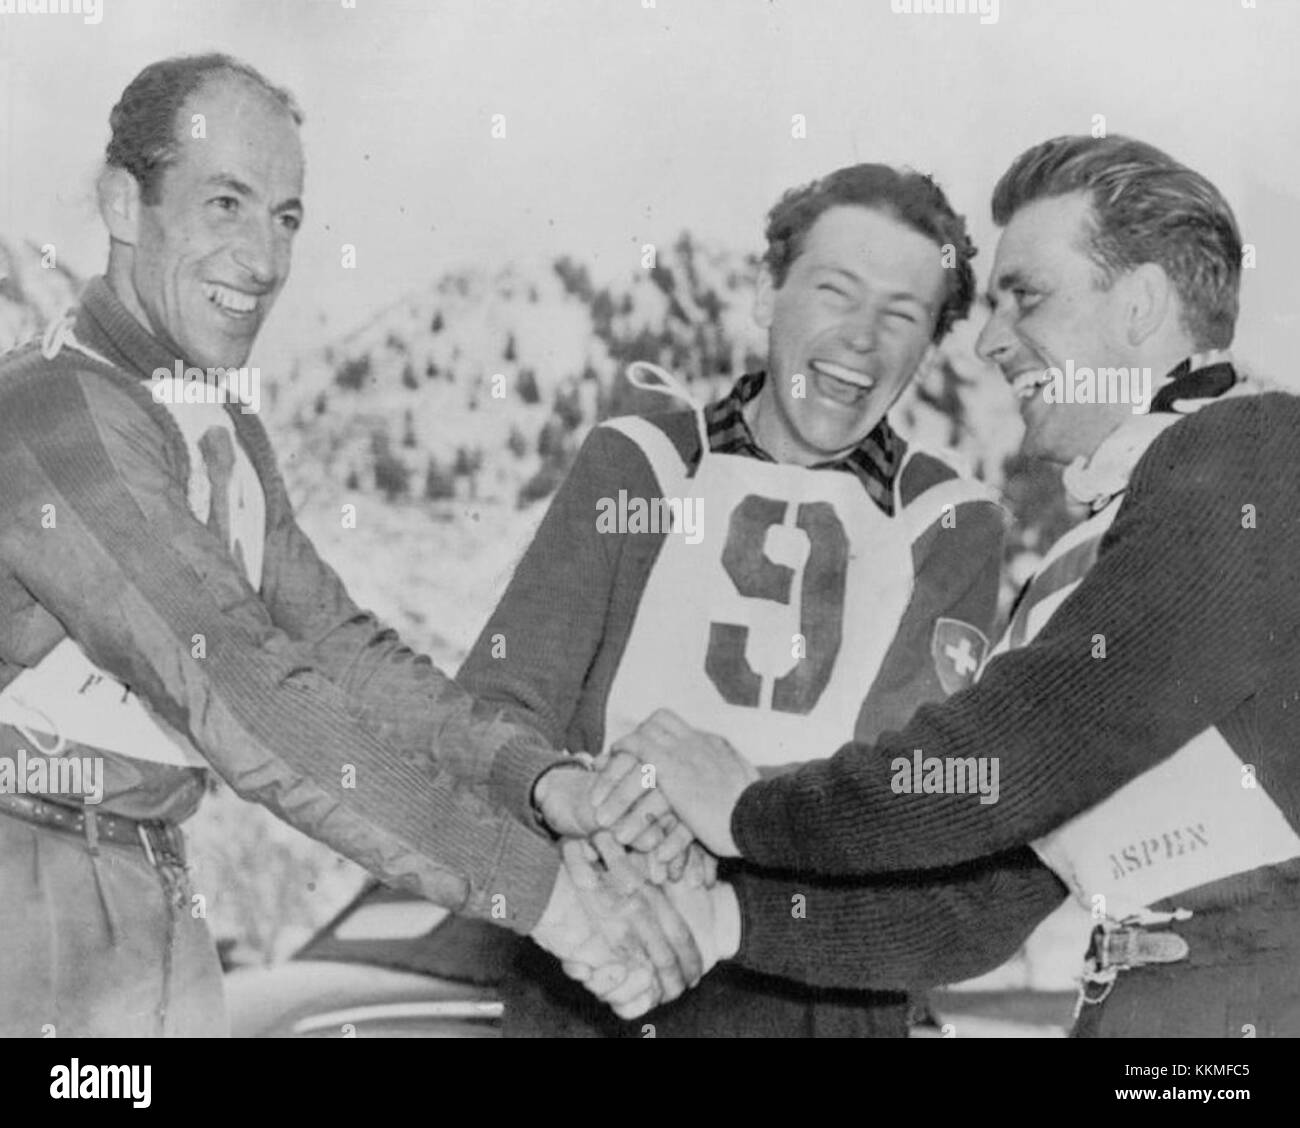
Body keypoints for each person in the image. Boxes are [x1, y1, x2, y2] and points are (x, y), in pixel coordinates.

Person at [0, 53, 696, 1037]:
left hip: (148, 867)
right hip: (28, 883)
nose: (264, 257)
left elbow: (336, 652)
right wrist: (546, 900)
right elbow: (247, 691)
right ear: (124, 203)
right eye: (225, 204)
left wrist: (543, 783)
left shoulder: (214, 423)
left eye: (285, 217)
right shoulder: (53, 413)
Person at [605, 134, 1300, 1037]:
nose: (988, 339)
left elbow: (1008, 756)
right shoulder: (1091, 548)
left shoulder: (1252, 454)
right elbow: (975, 905)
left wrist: (745, 809)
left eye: (1030, 299)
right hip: (1154, 1010)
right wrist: (722, 919)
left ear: (1142, 305)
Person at [458, 163, 1009, 1036]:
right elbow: (494, 704)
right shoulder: (639, 462)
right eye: (836, 291)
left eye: (901, 315)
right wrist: (575, 792)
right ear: (766, 292)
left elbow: (910, 792)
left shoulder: (947, 522)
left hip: (812, 989)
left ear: (927, 347)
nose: (862, 338)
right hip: (603, 960)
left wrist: (711, 807)